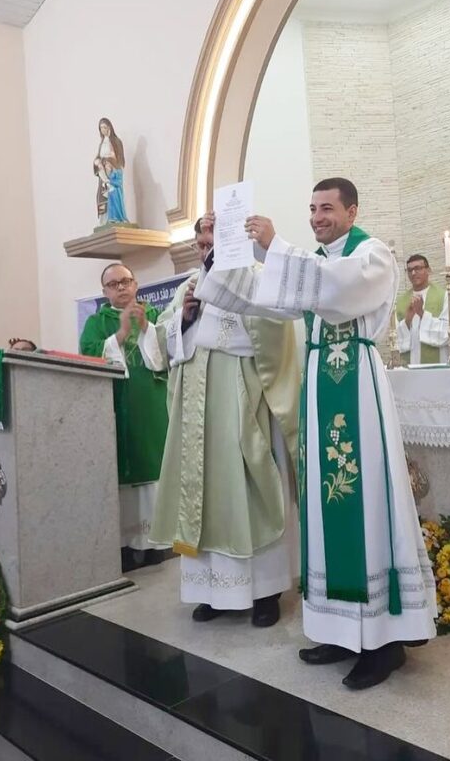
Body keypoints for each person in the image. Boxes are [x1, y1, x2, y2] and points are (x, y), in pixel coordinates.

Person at [195, 177, 437, 690]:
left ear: (352, 210)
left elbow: (337, 289)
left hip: (358, 390)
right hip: (322, 391)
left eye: (327, 208)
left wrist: (274, 246)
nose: (318, 216)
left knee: (365, 504)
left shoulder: (373, 254)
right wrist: (226, 254)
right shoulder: (311, 263)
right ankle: (340, 630)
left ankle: (384, 642)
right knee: (326, 514)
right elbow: (266, 298)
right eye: (312, 208)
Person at [137, 218, 300, 628]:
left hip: (239, 399)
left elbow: (275, 335)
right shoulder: (187, 286)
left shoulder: (256, 278)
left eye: (212, 235)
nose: (204, 242)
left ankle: (265, 593)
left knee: (245, 493)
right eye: (199, 237)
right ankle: (212, 590)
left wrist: (214, 317)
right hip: (196, 407)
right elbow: (162, 346)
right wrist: (186, 321)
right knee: (202, 495)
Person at [79, 263, 170, 570]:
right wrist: (120, 333)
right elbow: (88, 353)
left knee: (155, 465)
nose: (121, 287)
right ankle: (124, 548)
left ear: (136, 283)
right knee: (122, 472)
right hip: (115, 405)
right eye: (113, 284)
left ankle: (157, 543)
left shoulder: (155, 315)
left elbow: (169, 352)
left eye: (126, 281)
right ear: (104, 291)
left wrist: (145, 328)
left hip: (153, 405)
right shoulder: (96, 322)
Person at [395, 254, 448, 365]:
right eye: (409, 270)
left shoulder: (443, 296)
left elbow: (447, 332)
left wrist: (421, 313)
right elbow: (395, 339)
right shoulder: (401, 301)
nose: (413, 273)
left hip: (436, 365)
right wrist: (408, 320)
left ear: (428, 270)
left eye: (418, 268)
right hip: (410, 365)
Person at [93, 117, 128, 226]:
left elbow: (119, 159)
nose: (103, 130)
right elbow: (98, 157)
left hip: (112, 170)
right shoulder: (101, 143)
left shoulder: (116, 141)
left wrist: (109, 162)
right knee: (102, 196)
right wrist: (97, 161)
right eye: (101, 128)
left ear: (109, 127)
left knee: (113, 194)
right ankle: (104, 220)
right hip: (103, 173)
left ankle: (115, 217)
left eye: (104, 127)